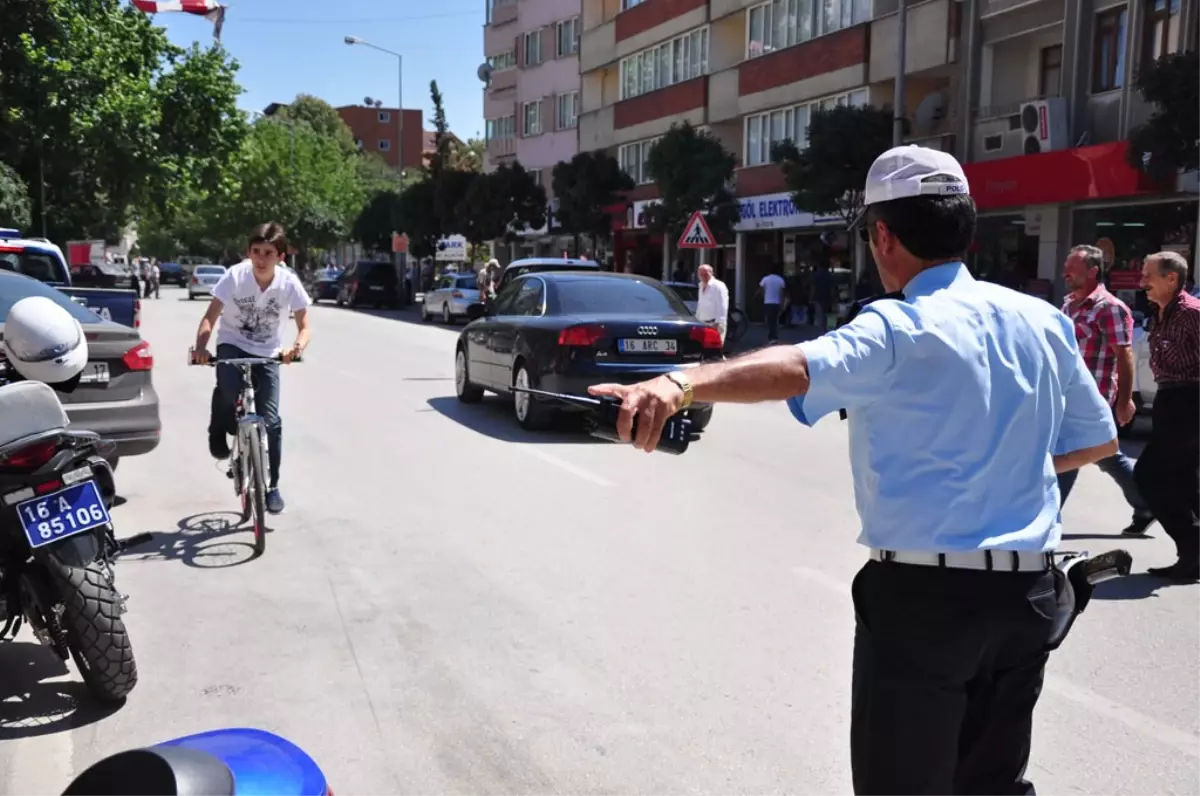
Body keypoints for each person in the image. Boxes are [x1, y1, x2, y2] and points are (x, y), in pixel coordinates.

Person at [588, 145, 1117, 796]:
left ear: (884, 236)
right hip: (1026, 601)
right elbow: (1097, 439)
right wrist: (1007, 461)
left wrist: (682, 382)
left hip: (926, 604)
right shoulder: (1042, 321)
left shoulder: (898, 325)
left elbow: (798, 367)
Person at [190, 222, 311, 515]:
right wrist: (202, 347)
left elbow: (305, 325)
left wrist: (295, 348)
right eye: (256, 251)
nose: (260, 258)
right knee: (228, 389)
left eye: (268, 253)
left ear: (280, 256)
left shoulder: (288, 283)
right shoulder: (235, 276)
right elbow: (210, 317)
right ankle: (219, 424)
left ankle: (272, 487)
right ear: (248, 252)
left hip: (269, 352)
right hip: (232, 343)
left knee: (271, 420)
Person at [1057, 244, 1154, 536]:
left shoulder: (1108, 307)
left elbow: (1124, 356)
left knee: (1070, 450)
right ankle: (1146, 504)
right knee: (1105, 455)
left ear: (1093, 271)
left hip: (1093, 396)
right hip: (1066, 393)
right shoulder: (1068, 304)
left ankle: (1047, 516)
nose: (1065, 272)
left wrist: (1125, 401)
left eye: (1072, 268)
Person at [1135, 251, 1200, 580]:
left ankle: (1192, 546)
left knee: (1149, 476)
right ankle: (1192, 555)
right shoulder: (1161, 312)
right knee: (1186, 483)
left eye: (1148, 275)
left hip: (1190, 402)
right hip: (1169, 400)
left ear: (1171, 279)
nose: (1141, 282)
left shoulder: (1192, 314)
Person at [694, 264, 729, 346]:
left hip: (715, 324)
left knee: (715, 349)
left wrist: (718, 323)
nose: (703, 276)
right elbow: (700, 305)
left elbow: (723, 305)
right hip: (702, 323)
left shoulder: (719, 286)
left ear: (711, 273)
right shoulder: (700, 285)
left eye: (705, 274)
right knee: (704, 350)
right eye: (701, 274)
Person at [758, 268, 787, 341]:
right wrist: (782, 303)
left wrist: (764, 297)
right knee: (775, 319)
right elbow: (782, 293)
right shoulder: (780, 280)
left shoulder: (765, 279)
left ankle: (772, 335)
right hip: (776, 302)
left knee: (769, 319)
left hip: (767, 301)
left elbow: (761, 289)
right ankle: (773, 335)